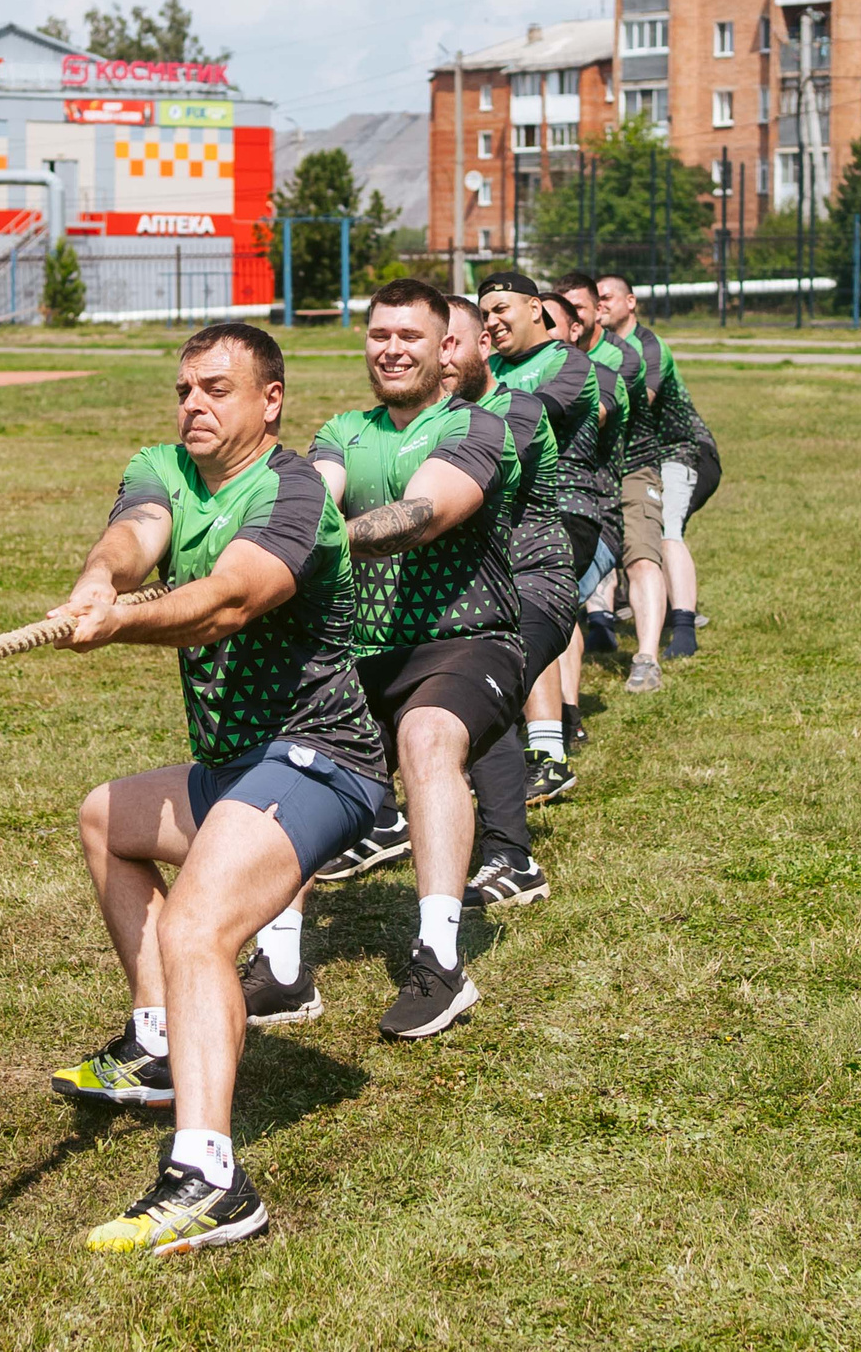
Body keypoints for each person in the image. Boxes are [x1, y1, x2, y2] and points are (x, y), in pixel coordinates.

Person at [48, 321, 388, 1254]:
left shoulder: (290, 494)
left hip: (321, 758)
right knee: (104, 819)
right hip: (233, 766)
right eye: (186, 388)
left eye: (218, 389)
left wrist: (120, 624)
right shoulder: (164, 464)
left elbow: (229, 600)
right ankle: (158, 1042)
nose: (195, 404)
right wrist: (96, 580)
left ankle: (211, 1179)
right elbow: (136, 532)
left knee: (198, 924)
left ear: (270, 400)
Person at [286, 278, 522, 1038]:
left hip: (468, 637)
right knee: (288, 763)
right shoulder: (341, 431)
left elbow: (420, 515)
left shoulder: (477, 427)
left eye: (409, 337)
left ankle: (439, 959)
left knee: (426, 738)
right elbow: (316, 500)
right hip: (361, 652)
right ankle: (282, 968)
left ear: (443, 346)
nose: (391, 349)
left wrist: (314, 545)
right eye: (379, 335)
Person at [440, 293, 563, 906]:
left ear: (484, 345)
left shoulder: (514, 411)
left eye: (451, 343)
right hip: (464, 592)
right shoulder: (422, 418)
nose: (438, 358)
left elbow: (453, 494)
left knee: (478, 692)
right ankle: (379, 820)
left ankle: (513, 861)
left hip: (533, 581)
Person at [475, 272, 599, 805]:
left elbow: (533, 414)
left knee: (529, 602)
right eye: (483, 315)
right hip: (502, 510)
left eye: (501, 308)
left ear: (535, 309)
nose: (492, 322)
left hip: (567, 507)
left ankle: (548, 753)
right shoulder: (490, 370)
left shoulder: (570, 364)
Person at [595, 275, 722, 691]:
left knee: (667, 528)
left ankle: (683, 626)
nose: (599, 306)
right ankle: (605, 617)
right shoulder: (598, 350)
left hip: (683, 452)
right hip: (637, 456)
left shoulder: (647, 347)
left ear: (630, 302)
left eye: (606, 298)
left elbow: (634, 403)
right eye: (593, 300)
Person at [551, 272, 638, 741]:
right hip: (538, 515)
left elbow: (598, 411)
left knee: (553, 601)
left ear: (577, 328)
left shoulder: (601, 373)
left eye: (571, 312)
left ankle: (565, 718)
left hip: (594, 517)